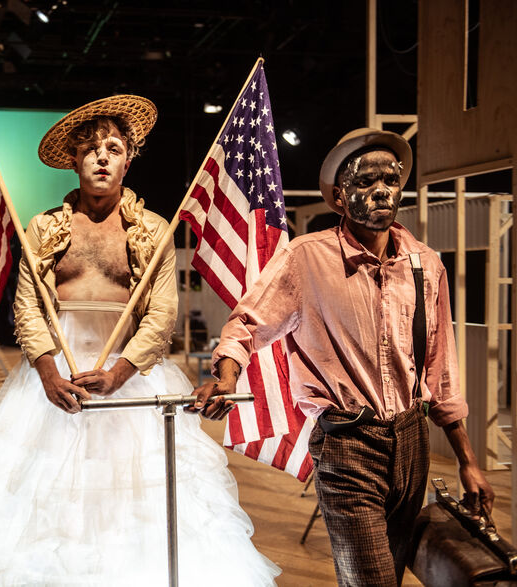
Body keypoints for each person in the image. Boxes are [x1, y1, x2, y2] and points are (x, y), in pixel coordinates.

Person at [0, 96, 279, 585]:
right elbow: (27, 305)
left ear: (129, 159)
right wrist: (46, 372)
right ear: (74, 161)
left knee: (135, 490)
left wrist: (118, 373)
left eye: (114, 147)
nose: (103, 157)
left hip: (127, 371)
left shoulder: (152, 229)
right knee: (42, 489)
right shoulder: (44, 228)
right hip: (52, 374)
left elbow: (160, 313)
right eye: (91, 150)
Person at [192, 128, 495, 585]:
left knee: (391, 572)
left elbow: (441, 372)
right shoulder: (305, 259)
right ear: (338, 197)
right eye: (364, 182)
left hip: (412, 441)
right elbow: (247, 324)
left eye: (390, 181)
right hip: (348, 443)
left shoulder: (425, 264)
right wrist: (228, 376)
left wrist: (468, 460)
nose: (381, 191)